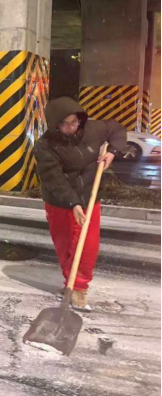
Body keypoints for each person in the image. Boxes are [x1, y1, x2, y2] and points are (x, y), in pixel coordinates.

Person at [35, 97, 128, 312]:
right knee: (66, 246)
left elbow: (117, 129)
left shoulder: (93, 130)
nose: (71, 128)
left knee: (86, 245)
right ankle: (69, 282)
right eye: (65, 124)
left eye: (74, 122)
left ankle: (78, 288)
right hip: (60, 201)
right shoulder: (45, 146)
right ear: (55, 124)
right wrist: (73, 203)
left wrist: (112, 152)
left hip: (89, 197)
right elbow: (54, 178)